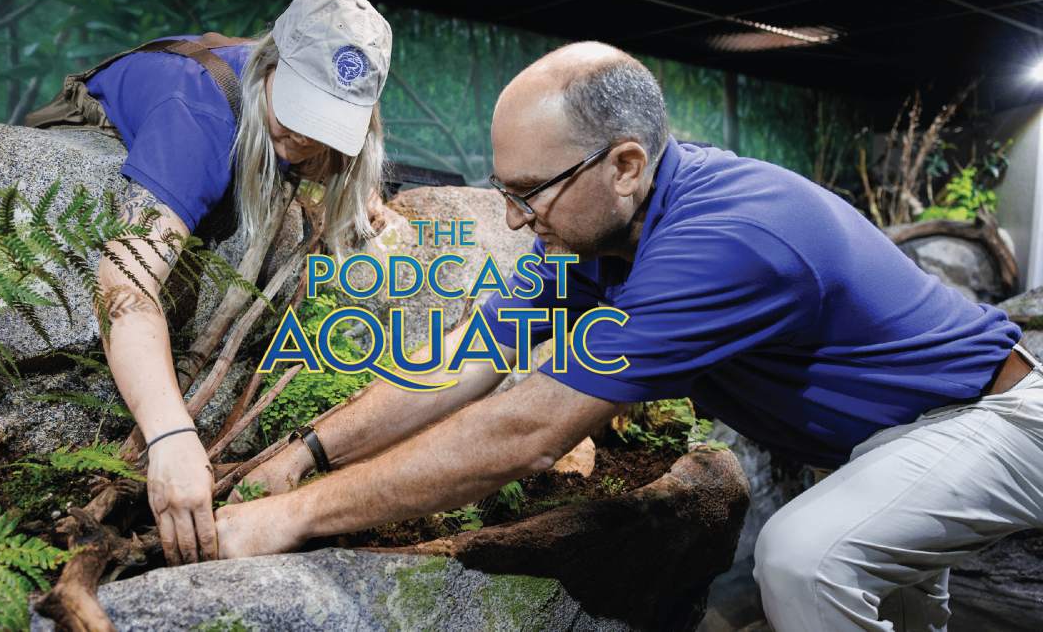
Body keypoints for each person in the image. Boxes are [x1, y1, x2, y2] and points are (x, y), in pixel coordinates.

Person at [214, 41, 1043, 632]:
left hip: (990, 417)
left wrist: (292, 519)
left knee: (801, 558)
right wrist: (306, 452)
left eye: (529, 191)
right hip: (886, 438)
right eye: (503, 188)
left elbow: (526, 431)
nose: (511, 218)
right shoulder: (590, 237)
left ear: (625, 166)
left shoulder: (723, 241)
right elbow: (464, 362)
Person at [52, 0, 393, 567]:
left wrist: (363, 192)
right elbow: (122, 284)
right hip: (98, 110)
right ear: (271, 62)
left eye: (329, 121)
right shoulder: (196, 122)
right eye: (299, 107)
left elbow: (346, 155)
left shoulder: (311, 102)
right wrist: (169, 435)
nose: (305, 138)